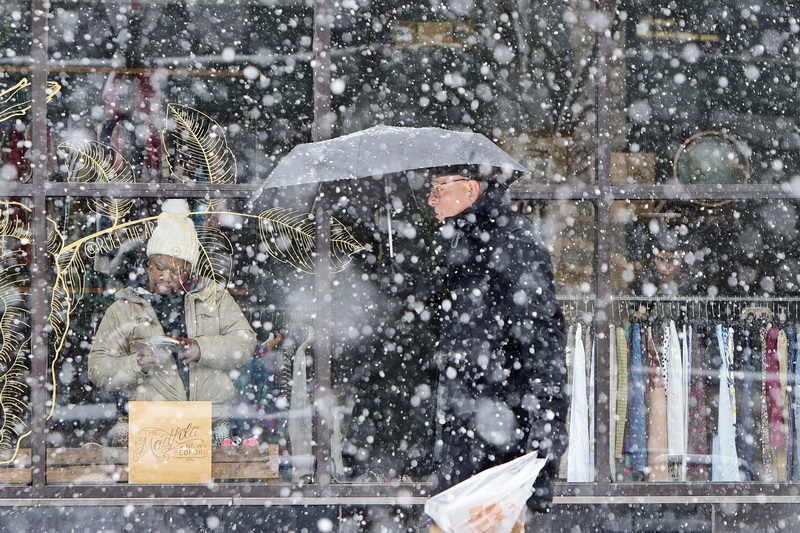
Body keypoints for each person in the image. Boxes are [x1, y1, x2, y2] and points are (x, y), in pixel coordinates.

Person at [425, 167, 569, 530]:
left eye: (438, 189)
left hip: (499, 436)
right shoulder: (465, 245)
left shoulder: (510, 243)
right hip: (474, 430)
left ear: (470, 190)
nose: (431, 199)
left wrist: (544, 429)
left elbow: (542, 341)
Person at [88, 199, 257, 445]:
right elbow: (98, 369)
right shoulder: (124, 307)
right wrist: (136, 364)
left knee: (214, 481)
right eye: (160, 267)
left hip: (211, 421)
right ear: (148, 263)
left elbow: (245, 343)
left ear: (191, 270)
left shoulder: (214, 297)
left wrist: (203, 348)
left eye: (178, 270)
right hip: (153, 424)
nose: (166, 277)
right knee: (159, 483)